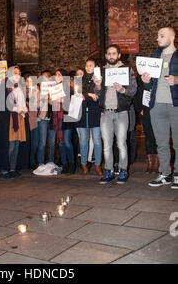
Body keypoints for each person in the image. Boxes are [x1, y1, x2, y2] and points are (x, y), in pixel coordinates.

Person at [94, 44, 137, 184]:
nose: (111, 56)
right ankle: (109, 172)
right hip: (105, 113)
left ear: (119, 55)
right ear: (106, 56)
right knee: (106, 144)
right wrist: (98, 85)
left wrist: (123, 89)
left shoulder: (126, 70)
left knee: (121, 143)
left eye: (114, 53)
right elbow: (97, 94)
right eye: (108, 53)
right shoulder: (100, 71)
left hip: (121, 112)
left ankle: (123, 171)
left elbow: (133, 90)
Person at [141, 27, 178, 189]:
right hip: (157, 105)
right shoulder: (155, 56)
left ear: (172, 37)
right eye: (157, 36)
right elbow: (149, 84)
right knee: (161, 143)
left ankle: (177, 174)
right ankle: (164, 173)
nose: (158, 38)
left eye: (162, 36)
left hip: (175, 104)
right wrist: (145, 79)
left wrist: (177, 80)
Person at [0, 66, 28, 179]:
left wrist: (24, 108)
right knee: (8, 146)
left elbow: (21, 102)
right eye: (14, 72)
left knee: (16, 145)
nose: (17, 75)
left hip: (17, 118)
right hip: (7, 120)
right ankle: (4, 169)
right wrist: (13, 109)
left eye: (19, 73)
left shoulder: (18, 87)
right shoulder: (3, 87)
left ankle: (13, 168)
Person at [75, 58, 103, 176]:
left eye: (91, 65)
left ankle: (98, 165)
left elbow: (99, 95)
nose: (88, 68)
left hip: (95, 113)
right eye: (87, 66)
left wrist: (86, 95)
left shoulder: (99, 80)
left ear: (96, 67)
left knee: (97, 141)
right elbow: (77, 94)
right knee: (83, 141)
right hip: (81, 113)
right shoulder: (80, 80)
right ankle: (84, 164)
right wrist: (89, 95)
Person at [48, 69, 76, 173]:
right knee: (60, 143)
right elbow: (51, 103)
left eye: (59, 75)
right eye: (56, 75)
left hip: (66, 118)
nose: (57, 77)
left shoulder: (68, 89)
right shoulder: (53, 88)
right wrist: (50, 101)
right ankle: (64, 163)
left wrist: (62, 100)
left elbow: (71, 105)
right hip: (56, 118)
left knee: (67, 142)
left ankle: (72, 163)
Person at [37, 70, 52, 167]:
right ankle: (40, 163)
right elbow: (36, 105)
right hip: (43, 118)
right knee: (42, 142)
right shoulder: (39, 90)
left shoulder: (55, 89)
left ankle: (51, 162)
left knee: (52, 142)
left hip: (53, 118)